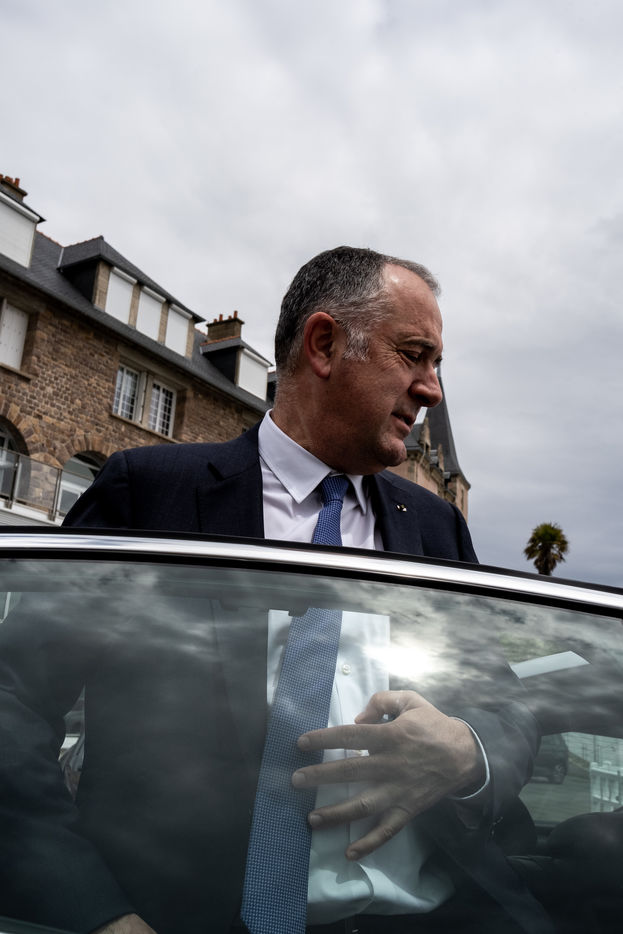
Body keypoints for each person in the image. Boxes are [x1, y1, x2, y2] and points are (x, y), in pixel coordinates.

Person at [0, 248, 546, 934]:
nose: (431, 389)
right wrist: (95, 911)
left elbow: (507, 706)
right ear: (324, 345)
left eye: (436, 365)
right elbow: (12, 703)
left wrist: (469, 750)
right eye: (414, 355)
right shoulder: (151, 494)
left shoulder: (436, 528)